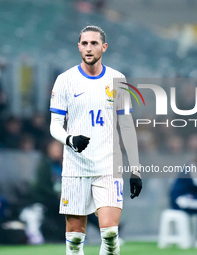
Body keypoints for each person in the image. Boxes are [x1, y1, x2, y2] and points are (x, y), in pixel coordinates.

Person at [49, 25, 142, 255]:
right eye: (84, 43)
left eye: (94, 43)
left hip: (108, 166)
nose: (89, 48)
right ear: (79, 46)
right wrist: (70, 139)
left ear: (104, 47)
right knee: (74, 239)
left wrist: (136, 169)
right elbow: (54, 125)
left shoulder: (117, 79)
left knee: (110, 234)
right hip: (75, 167)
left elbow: (127, 125)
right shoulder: (65, 80)